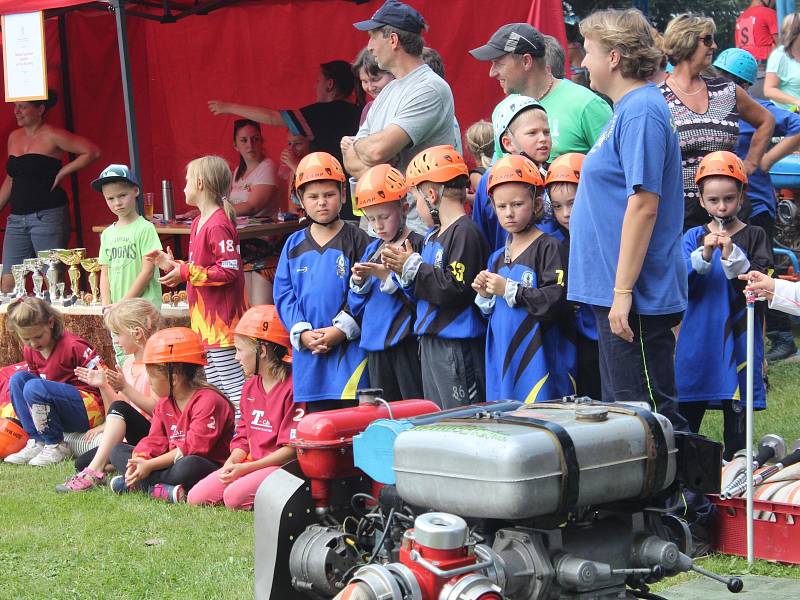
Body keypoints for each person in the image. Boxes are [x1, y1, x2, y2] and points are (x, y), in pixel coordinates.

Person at [568, 8, 688, 431]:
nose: (583, 63)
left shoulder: (640, 110)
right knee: (626, 419)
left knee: (648, 421)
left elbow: (644, 204)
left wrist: (622, 291)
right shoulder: (626, 110)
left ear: (615, 57)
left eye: (589, 51)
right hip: (619, 292)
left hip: (635, 294)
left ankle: (683, 500)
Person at [676, 151, 771, 460]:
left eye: (729, 198)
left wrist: (733, 256)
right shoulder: (692, 236)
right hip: (698, 341)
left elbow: (760, 285)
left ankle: (738, 474)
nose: (721, 206)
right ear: (701, 201)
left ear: (742, 196)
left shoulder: (754, 235)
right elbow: (680, 282)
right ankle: (688, 490)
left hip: (738, 340)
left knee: (738, 426)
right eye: (713, 200)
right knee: (686, 423)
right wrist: (703, 256)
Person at [382, 145, 489, 408]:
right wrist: (403, 273)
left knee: (462, 423)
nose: (416, 207)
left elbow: (456, 289)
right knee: (439, 419)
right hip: (431, 342)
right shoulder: (433, 237)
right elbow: (423, 292)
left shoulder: (465, 232)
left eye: (416, 198)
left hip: (456, 346)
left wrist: (414, 267)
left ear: (431, 194)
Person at [713, 47, 800, 361]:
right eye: (721, 78)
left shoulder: (758, 108)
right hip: (722, 204)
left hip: (756, 205)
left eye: (730, 80)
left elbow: (797, 127)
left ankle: (779, 336)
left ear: (744, 86)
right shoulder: (711, 108)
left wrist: (764, 160)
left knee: (759, 269)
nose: (723, 85)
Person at [342, 0, 456, 235]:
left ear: (393, 40)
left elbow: (375, 152)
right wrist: (377, 153)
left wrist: (364, 148)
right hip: (384, 230)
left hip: (421, 230)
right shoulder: (387, 92)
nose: (370, 47)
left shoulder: (430, 88)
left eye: (373, 37)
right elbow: (350, 162)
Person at [146, 156, 247, 414]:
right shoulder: (199, 223)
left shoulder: (217, 223)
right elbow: (200, 268)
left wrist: (185, 271)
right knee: (214, 384)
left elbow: (229, 270)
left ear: (200, 183)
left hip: (223, 324)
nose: (183, 187)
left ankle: (245, 437)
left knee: (233, 386)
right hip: (204, 324)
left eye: (187, 181)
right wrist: (172, 264)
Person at [660, 14, 774, 232]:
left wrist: (750, 164)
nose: (714, 45)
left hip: (730, 208)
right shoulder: (658, 97)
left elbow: (766, 120)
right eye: (707, 39)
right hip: (682, 210)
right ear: (687, 41)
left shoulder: (726, 90)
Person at [274, 152, 370, 410]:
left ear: (343, 194)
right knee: (319, 429)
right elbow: (284, 295)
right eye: (313, 197)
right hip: (310, 360)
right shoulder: (293, 245)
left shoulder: (359, 240)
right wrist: (301, 332)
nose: (322, 203)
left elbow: (366, 290)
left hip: (350, 359)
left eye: (329, 194)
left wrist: (341, 330)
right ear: (300, 199)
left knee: (353, 430)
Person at [472, 155, 570, 402]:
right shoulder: (496, 257)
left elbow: (555, 300)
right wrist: (484, 295)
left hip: (539, 356)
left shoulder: (548, 246)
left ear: (537, 205)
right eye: (501, 206)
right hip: (503, 356)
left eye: (517, 204)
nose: (509, 213)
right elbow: (491, 313)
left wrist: (510, 290)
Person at [208, 61, 361, 220]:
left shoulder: (324, 112)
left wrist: (228, 107)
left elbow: (272, 117)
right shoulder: (360, 112)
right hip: (358, 194)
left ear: (329, 84)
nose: (315, 87)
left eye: (318, 81)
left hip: (332, 201)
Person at [188, 305, 303, 510]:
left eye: (240, 350)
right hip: (251, 464)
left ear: (263, 350)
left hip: (281, 468)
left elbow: (291, 451)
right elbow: (242, 436)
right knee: (196, 497)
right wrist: (232, 463)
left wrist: (246, 468)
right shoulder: (250, 386)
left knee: (233, 497)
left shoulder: (294, 387)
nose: (236, 358)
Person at [109, 327, 235, 503]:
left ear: (174, 378)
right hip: (170, 462)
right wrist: (140, 460)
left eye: (152, 376)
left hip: (204, 464)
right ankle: (157, 488)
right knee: (117, 451)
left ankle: (141, 484)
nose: (150, 383)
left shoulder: (209, 401)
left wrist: (150, 466)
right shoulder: (164, 402)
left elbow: (192, 448)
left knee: (189, 465)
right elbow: (154, 440)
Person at [1, 91, 101, 294]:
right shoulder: (14, 137)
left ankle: (57, 324)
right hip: (17, 219)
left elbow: (92, 151)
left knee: (52, 279)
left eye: (23, 106)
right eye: (16, 106)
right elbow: (11, 179)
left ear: (40, 109)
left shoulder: (53, 134)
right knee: (7, 282)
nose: (17, 111)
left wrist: (63, 170)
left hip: (47, 216)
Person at [56, 299, 161, 492]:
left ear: (136, 333)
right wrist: (103, 386)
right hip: (134, 438)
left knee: (95, 461)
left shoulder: (155, 365)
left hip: (155, 435)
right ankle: (113, 465)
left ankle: (94, 473)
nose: (116, 341)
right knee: (82, 461)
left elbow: (157, 409)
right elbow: (118, 409)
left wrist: (125, 387)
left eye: (118, 334)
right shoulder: (129, 364)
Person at [470, 22, 612, 160]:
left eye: (498, 63)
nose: (492, 73)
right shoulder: (503, 110)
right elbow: (501, 173)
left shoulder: (586, 105)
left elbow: (616, 171)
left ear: (526, 61)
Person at [349, 164, 424, 401]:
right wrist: (358, 282)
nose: (378, 225)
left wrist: (388, 277)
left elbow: (420, 296)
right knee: (383, 409)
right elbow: (356, 305)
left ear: (403, 208)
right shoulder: (371, 248)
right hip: (373, 343)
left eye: (384, 217)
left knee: (411, 406)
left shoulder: (417, 244)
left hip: (404, 342)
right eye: (371, 219)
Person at [3, 298, 103, 466]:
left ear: (50, 322)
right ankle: (37, 440)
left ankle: (56, 445)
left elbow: (104, 379)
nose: (33, 343)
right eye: (26, 339)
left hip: (88, 410)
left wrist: (108, 419)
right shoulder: (30, 350)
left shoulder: (74, 346)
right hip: (56, 407)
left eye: (38, 336)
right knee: (17, 380)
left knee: (33, 386)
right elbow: (31, 392)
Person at [545, 152, 601, 400]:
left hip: (598, 331)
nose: (566, 213)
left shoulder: (603, 237)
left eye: (573, 203)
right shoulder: (553, 241)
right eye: (558, 206)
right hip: (568, 334)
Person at [472, 95, 552, 252]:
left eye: (546, 132)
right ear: (508, 143)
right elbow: (481, 234)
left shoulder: (553, 176)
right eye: (532, 133)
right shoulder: (490, 179)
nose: (543, 139)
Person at [93, 164, 163, 310]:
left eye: (122, 195)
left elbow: (147, 272)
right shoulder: (106, 234)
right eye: (110, 198)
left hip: (143, 310)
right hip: (117, 312)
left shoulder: (145, 228)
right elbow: (104, 276)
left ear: (135, 191)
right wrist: (106, 307)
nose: (117, 203)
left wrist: (121, 304)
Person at [765, 13, 800, 109]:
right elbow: (769, 90)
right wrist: (796, 101)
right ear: (795, 34)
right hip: (789, 117)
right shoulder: (779, 55)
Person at [352, 47, 395, 126]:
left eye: (375, 79)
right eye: (364, 81)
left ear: (393, 73)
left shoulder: (405, 104)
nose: (370, 87)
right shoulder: (368, 109)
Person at [463, 120, 493, 205]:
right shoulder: (502, 165)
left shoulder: (476, 175)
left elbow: (487, 202)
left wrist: (465, 197)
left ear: (468, 147)